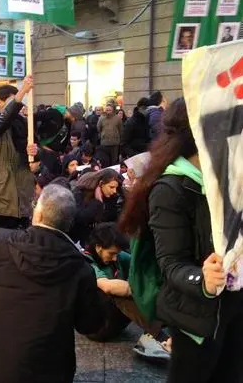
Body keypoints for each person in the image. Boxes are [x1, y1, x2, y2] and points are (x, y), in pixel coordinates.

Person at [119, 97, 243, 382]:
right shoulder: (172, 188)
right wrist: (203, 279)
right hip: (195, 320)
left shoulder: (230, 179)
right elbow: (171, 264)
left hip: (234, 310)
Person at [0, 184, 105, 383]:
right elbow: (90, 324)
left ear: (38, 213)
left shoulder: (5, 242)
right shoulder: (81, 269)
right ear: (68, 223)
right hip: (44, 370)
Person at [84, 223, 169, 358]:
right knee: (116, 292)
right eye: (111, 254)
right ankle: (162, 336)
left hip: (117, 324)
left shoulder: (117, 256)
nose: (115, 258)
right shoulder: (86, 263)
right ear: (98, 247)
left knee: (141, 281)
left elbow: (140, 266)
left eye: (117, 254)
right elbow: (107, 285)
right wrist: (143, 291)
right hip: (97, 327)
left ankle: (165, 326)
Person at [0, 78, 36, 230]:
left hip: (23, 188)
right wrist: (23, 91)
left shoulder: (22, 122)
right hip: (2, 190)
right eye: (13, 100)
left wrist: (33, 153)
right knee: (3, 236)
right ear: (0, 102)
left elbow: (30, 156)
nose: (17, 105)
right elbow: (1, 124)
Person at [70, 168, 122, 246]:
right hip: (78, 240)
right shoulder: (80, 193)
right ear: (101, 184)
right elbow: (81, 217)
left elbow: (112, 219)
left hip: (100, 241)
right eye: (111, 187)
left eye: (115, 188)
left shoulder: (111, 197)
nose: (114, 191)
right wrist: (98, 203)